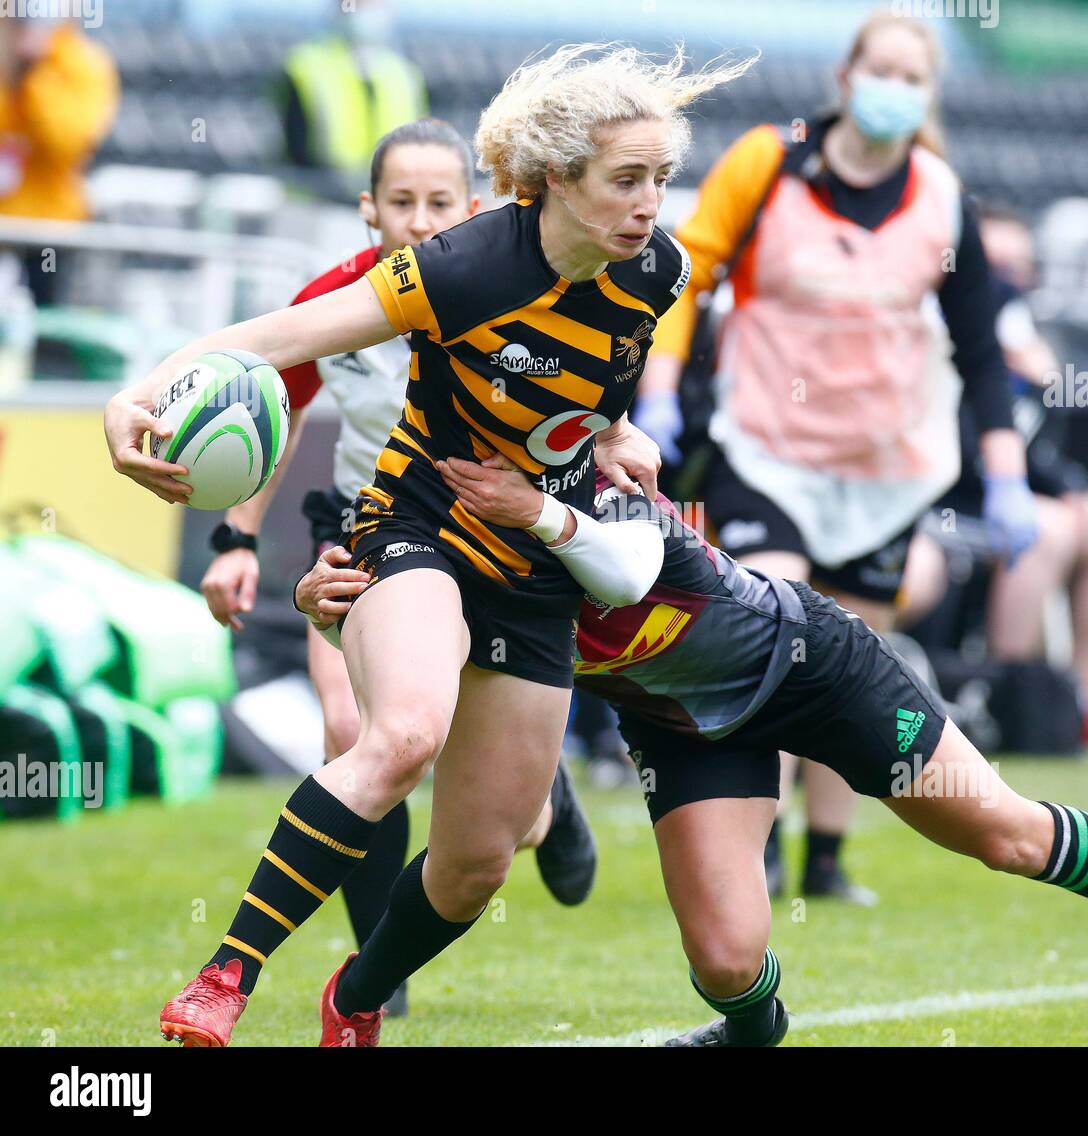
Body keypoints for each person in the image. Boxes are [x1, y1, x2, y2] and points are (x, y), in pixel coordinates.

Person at [104, 42, 754, 1047]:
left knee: (475, 865)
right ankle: (224, 974)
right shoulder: (460, 267)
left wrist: (616, 436)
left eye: (661, 180)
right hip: (419, 526)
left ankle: (354, 996)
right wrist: (135, 396)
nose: (649, 205)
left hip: (536, 566)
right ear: (553, 182)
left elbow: (590, 396)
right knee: (402, 732)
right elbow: (273, 341)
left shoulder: (654, 269)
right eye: (627, 180)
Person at [299, 454, 1088, 1048]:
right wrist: (333, 604)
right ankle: (751, 1031)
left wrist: (544, 510)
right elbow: (411, 653)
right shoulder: (439, 549)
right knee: (727, 960)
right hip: (684, 727)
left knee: (1006, 835)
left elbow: (627, 555)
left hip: (818, 670)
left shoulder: (591, 492)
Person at [196, 118, 601, 1021]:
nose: (420, 222)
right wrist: (236, 541)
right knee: (358, 730)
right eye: (402, 203)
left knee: (492, 816)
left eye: (440, 203)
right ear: (368, 208)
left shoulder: (511, 288)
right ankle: (381, 969)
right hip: (364, 527)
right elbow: (274, 406)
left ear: (477, 206)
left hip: (492, 540)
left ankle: (550, 807)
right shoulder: (337, 299)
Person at [635, 10, 1037, 904]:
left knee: (857, 651)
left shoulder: (940, 196)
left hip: (884, 469)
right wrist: (659, 388)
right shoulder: (769, 163)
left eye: (913, 75)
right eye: (880, 68)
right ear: (848, 77)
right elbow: (685, 277)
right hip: (767, 446)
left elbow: (980, 353)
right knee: (771, 630)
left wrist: (1005, 474)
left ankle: (825, 856)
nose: (895, 87)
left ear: (927, 94)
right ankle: (757, 850)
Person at [902, 208, 1088, 754]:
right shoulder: (938, 335)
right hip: (948, 505)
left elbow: (1042, 445)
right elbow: (968, 449)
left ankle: (1080, 699)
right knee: (1049, 528)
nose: (1008, 280)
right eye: (996, 265)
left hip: (1016, 497)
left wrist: (1042, 397)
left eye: (1020, 267)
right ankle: (1005, 699)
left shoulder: (1029, 340)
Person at [0, 12, 119, 304]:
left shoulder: (83, 64)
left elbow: (68, 141)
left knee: (47, 330)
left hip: (50, 228)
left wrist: (35, 73)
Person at [279, 0, 428, 197]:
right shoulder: (305, 66)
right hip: (318, 202)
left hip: (387, 201)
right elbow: (295, 147)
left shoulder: (404, 74)